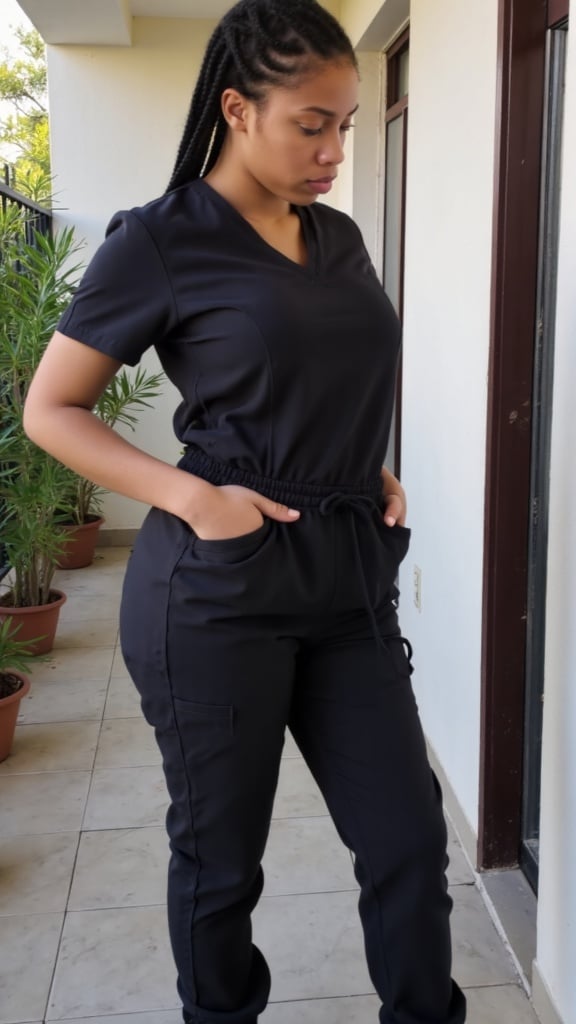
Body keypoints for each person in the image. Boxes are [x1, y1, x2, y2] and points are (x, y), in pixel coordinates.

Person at [24, 1, 467, 1021]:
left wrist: (366, 463)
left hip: (348, 581)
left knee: (406, 842)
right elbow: (50, 408)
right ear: (237, 109)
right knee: (221, 863)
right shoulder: (160, 239)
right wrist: (193, 497)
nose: (334, 150)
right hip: (219, 591)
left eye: (344, 124)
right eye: (312, 124)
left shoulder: (337, 236)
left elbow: (325, 369)